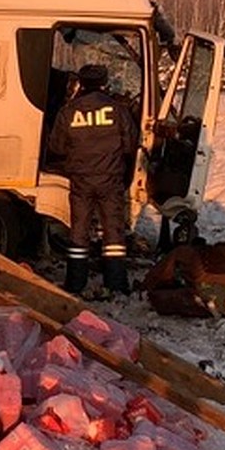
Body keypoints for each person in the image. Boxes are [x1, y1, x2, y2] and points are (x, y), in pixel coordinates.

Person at [47, 63, 137, 296]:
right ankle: (116, 283)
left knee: (78, 230)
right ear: (104, 83)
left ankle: (75, 283)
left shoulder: (68, 112)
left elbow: (56, 146)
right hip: (110, 180)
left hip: (81, 181)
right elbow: (129, 145)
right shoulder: (118, 111)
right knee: (113, 231)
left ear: (82, 83)